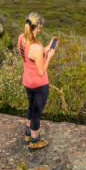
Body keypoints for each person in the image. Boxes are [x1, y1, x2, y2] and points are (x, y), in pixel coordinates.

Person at [17, 12, 57, 150]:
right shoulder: (36, 48)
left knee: (31, 106)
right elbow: (41, 71)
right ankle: (35, 141)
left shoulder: (21, 38)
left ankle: (28, 133)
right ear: (38, 26)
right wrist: (50, 56)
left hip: (27, 81)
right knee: (36, 112)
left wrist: (46, 48)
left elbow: (32, 57)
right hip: (39, 85)